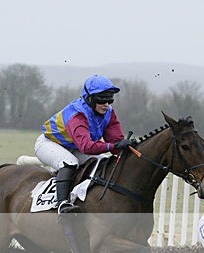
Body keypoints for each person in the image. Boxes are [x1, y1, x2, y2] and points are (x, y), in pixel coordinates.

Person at [34, 74, 132, 222]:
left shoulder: (109, 113)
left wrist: (127, 147)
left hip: (75, 147)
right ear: (90, 99)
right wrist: (113, 146)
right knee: (69, 162)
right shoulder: (77, 115)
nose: (106, 104)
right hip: (50, 144)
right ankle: (62, 205)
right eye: (102, 99)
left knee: (104, 160)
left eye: (109, 99)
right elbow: (86, 146)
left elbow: (116, 144)